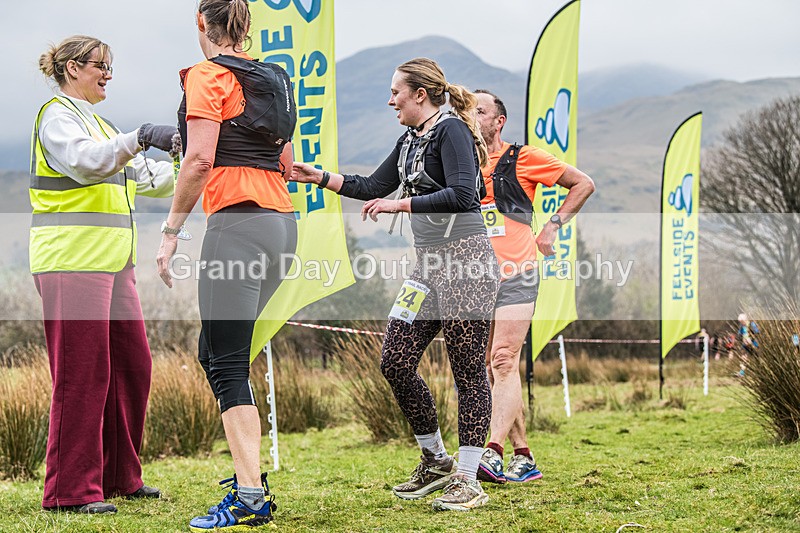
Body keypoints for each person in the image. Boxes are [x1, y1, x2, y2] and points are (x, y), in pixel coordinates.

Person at [292, 58, 499, 511]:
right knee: (395, 361)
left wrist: (400, 206)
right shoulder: (409, 139)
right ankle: (436, 460)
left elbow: (464, 195)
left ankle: (468, 479)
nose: (390, 101)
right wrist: (320, 178)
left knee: (467, 372)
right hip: (428, 266)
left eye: (395, 93)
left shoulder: (452, 131)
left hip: (467, 263)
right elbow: (373, 185)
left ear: (420, 94)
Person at [155, 1, 297, 529]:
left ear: (201, 23)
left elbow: (199, 160)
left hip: (236, 226)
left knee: (228, 361)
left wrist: (171, 231)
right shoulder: (275, 78)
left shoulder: (208, 75)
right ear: (246, 27)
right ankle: (248, 475)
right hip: (282, 226)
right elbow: (285, 161)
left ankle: (250, 495)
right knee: (214, 352)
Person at [32, 35, 176, 513]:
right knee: (82, 374)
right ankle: (70, 491)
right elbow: (86, 163)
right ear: (73, 68)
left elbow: (150, 180)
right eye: (101, 65)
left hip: (113, 265)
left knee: (133, 367)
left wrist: (191, 158)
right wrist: (140, 136)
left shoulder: (101, 124)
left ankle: (119, 477)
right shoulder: (56, 117)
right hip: (71, 262)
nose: (109, 74)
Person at [472, 90, 594, 484]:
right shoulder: (463, 163)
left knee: (503, 360)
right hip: (477, 277)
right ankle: (523, 456)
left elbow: (583, 183)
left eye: (480, 110)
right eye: (467, 110)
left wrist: (552, 226)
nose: (472, 116)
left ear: (499, 121)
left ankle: (492, 452)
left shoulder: (523, 157)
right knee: (492, 369)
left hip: (518, 273)